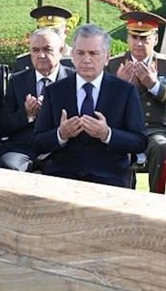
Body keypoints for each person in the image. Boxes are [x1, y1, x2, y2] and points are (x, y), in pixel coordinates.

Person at [32, 24, 147, 188]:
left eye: (93, 53)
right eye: (80, 53)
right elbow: (37, 141)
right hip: (62, 176)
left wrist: (107, 134)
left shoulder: (124, 91)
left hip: (108, 177)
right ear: (72, 55)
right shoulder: (55, 91)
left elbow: (140, 141)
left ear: (107, 57)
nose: (86, 59)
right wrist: (61, 134)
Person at [107, 12, 166, 193]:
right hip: (124, 129)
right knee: (113, 147)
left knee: (160, 146)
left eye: (144, 38)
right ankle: (122, 199)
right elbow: (102, 105)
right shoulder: (114, 65)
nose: (138, 43)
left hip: (154, 129)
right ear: (127, 38)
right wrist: (120, 86)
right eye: (134, 37)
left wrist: (154, 86)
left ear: (156, 39)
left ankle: (157, 199)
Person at [0, 28, 71, 171]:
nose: (41, 55)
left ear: (61, 50)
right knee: (8, 166)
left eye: (47, 49)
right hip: (24, 147)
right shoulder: (18, 81)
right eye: (35, 50)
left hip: (61, 147)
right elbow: (3, 126)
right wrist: (27, 114)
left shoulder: (72, 80)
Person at [13, 5, 73, 73]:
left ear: (66, 32)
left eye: (55, 32)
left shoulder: (77, 59)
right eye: (44, 32)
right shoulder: (24, 62)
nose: (49, 36)